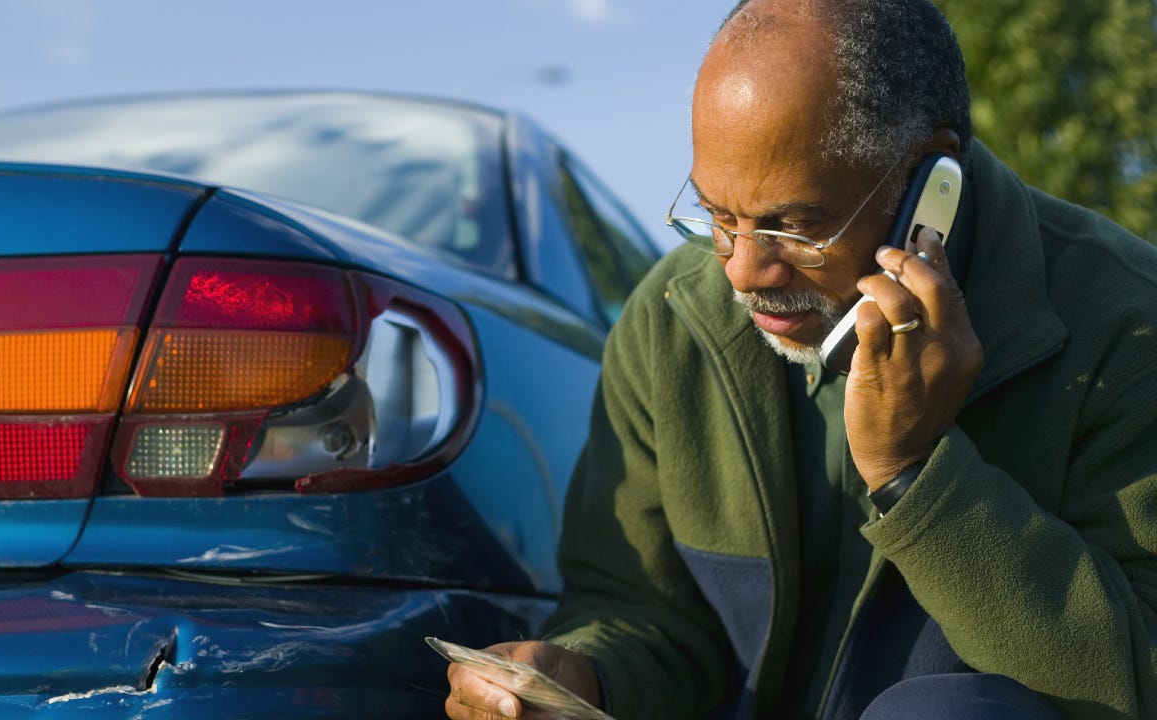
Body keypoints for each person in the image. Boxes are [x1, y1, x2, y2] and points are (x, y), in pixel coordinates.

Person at [445, 0, 1157, 718]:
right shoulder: (672, 324)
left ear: (932, 182)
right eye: (718, 216)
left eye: (793, 226)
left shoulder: (1128, 328)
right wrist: (583, 676)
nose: (741, 272)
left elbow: (1136, 676)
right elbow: (642, 613)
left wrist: (915, 477)